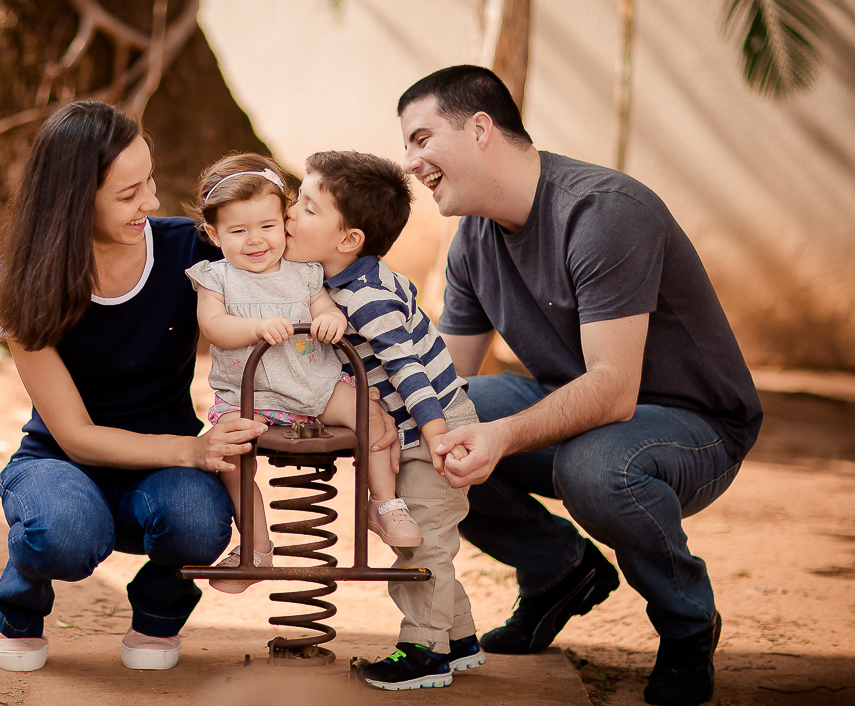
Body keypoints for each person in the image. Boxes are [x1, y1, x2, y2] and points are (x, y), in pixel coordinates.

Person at [398, 65, 763, 706]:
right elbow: (443, 378)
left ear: (480, 128)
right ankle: (558, 571)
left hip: (694, 426)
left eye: (421, 139)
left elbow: (615, 389)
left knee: (596, 467)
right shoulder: (472, 242)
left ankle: (687, 624)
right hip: (581, 412)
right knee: (433, 426)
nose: (410, 162)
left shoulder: (603, 213)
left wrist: (502, 436)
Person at [0, 100, 267, 673]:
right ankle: (20, 604)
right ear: (72, 201)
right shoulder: (23, 279)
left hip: (164, 466)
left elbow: (287, 258)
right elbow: (77, 434)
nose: (152, 201)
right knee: (62, 531)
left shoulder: (193, 251)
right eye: (128, 193)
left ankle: (159, 614)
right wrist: (194, 449)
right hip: (61, 459)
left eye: (151, 180)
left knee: (197, 522)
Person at [282, 150, 485, 691]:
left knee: (422, 548)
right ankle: (459, 640)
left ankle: (424, 653)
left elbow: (407, 369)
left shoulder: (367, 297)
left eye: (306, 207)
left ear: (349, 239)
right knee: (430, 541)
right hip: (419, 427)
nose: (288, 215)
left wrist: (437, 436)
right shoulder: (339, 282)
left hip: (432, 427)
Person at [186, 153, 421, 596]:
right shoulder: (215, 278)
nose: (255, 241)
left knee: (371, 418)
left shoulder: (306, 272)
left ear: (284, 222)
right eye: (238, 232)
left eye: (268, 227)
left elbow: (322, 305)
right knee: (232, 460)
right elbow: (212, 326)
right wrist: (254, 327)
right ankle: (256, 547)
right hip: (250, 396)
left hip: (317, 384)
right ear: (214, 235)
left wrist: (330, 316)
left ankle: (385, 504)